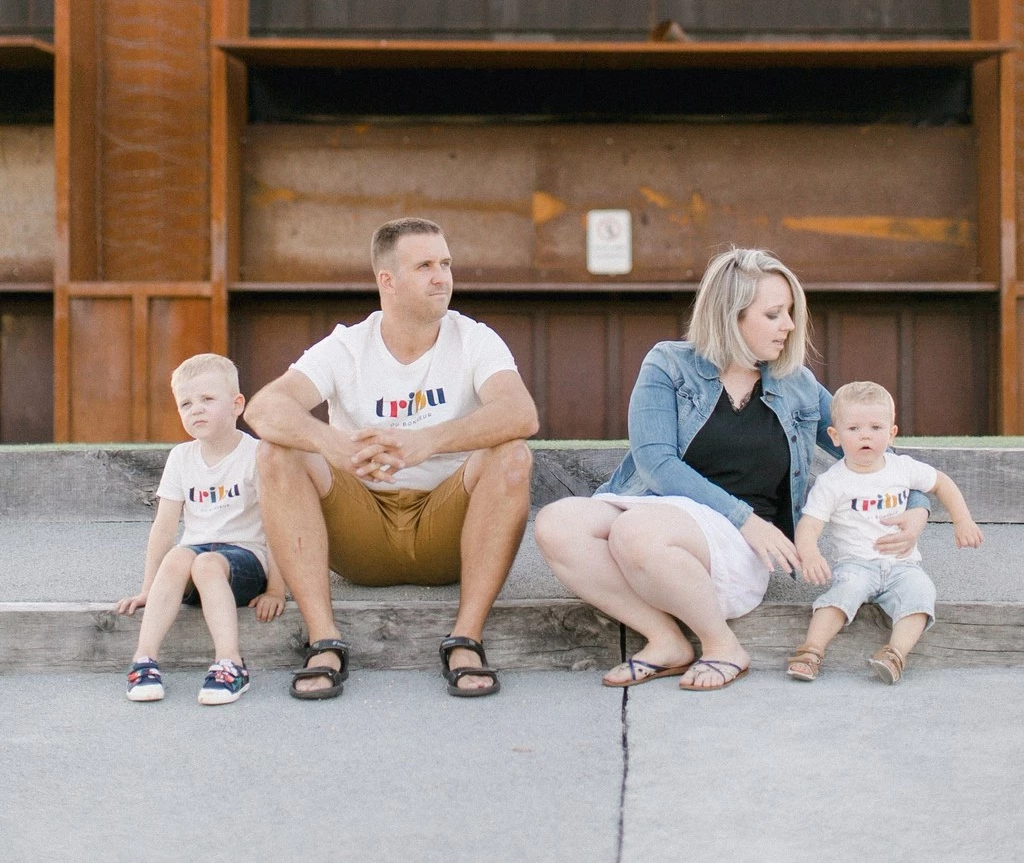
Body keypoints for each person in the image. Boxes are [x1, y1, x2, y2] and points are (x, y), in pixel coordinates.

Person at [535, 246, 932, 691]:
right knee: (557, 523)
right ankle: (666, 640)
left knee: (637, 532)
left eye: (790, 313)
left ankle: (721, 645)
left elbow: (874, 450)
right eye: (774, 314)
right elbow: (655, 462)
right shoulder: (669, 363)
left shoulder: (796, 385)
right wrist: (746, 520)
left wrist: (917, 508)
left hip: (738, 545)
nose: (789, 325)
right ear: (731, 315)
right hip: (668, 511)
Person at [246, 217, 538, 700]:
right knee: (277, 451)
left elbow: (521, 412)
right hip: (363, 532)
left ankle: (466, 638)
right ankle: (323, 641)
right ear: (388, 281)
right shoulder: (347, 346)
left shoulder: (474, 338)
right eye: (425, 266)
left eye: (445, 264)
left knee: (512, 454)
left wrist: (427, 441)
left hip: (448, 529)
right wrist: (332, 444)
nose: (442, 276)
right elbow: (264, 408)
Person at [787, 379, 983, 685]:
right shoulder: (832, 482)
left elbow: (941, 482)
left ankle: (894, 653)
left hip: (902, 565)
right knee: (842, 595)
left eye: (876, 428)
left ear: (891, 433)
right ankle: (810, 652)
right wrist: (810, 555)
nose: (865, 435)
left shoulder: (901, 467)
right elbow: (810, 523)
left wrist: (963, 521)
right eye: (854, 429)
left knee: (921, 594)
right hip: (856, 564)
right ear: (835, 436)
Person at [117, 354, 286, 704]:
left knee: (206, 564)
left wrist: (276, 589)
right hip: (194, 563)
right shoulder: (181, 457)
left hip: (243, 563)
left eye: (208, 400)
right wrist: (149, 589)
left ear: (237, 404)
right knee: (180, 556)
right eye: (186, 403)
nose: (196, 410)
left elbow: (277, 525)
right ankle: (144, 659)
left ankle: (231, 663)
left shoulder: (257, 454)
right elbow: (164, 528)